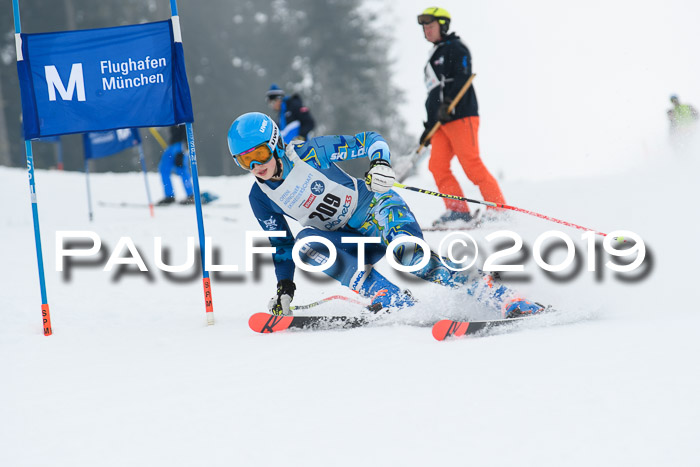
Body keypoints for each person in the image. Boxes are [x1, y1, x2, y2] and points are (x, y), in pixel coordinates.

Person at [227, 111, 545, 318]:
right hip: (349, 239)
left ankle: (500, 295)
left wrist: (379, 164)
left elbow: (370, 141)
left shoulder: (312, 152)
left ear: (275, 144)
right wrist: (285, 289)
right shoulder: (261, 197)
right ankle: (391, 300)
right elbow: (281, 246)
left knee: (411, 259)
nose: (256, 166)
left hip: (377, 210)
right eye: (244, 161)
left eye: (258, 154)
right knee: (305, 245)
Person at [417, 7, 505, 227]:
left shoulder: (456, 48)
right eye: (425, 27)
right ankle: (457, 211)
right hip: (440, 123)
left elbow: (462, 76)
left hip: (460, 115)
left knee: (471, 163)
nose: (427, 30)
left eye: (431, 26)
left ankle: (498, 209)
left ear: (443, 26)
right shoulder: (433, 55)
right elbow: (433, 94)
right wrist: (428, 127)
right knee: (437, 166)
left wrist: (448, 102)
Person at [157, 125, 195, 205]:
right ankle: (169, 196)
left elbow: (188, 127)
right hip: (172, 144)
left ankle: (191, 195)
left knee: (181, 169)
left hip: (181, 145)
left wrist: (185, 147)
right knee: (163, 169)